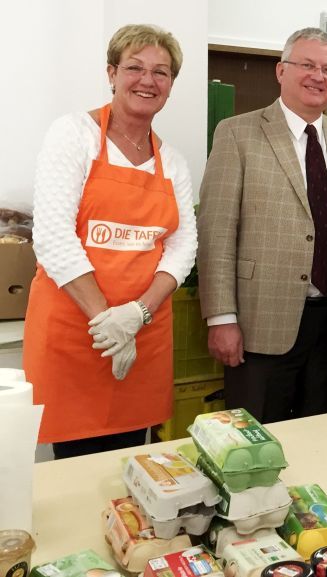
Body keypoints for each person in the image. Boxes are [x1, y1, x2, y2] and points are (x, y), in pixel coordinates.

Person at [24, 24, 197, 459]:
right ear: (112, 73)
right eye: (135, 67)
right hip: (76, 334)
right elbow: (52, 236)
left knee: (132, 463)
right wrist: (110, 324)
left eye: (161, 72)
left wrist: (136, 316)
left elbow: (182, 247)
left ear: (171, 85)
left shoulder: (173, 162)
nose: (148, 80)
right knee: (74, 468)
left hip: (144, 334)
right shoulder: (74, 135)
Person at [197, 28, 327, 423]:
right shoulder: (237, 133)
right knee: (252, 442)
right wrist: (221, 318)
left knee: (319, 437)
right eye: (307, 65)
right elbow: (216, 231)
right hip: (259, 323)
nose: (318, 76)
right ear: (281, 71)